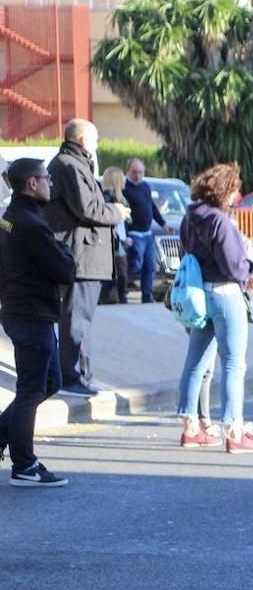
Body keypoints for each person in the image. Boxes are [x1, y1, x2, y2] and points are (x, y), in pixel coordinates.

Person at [174, 163, 253, 453]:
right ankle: (235, 431)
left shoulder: (190, 217)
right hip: (226, 294)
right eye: (236, 189)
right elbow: (234, 264)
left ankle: (190, 427)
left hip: (201, 293)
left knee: (196, 360)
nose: (238, 195)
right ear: (225, 190)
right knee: (233, 363)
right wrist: (249, 269)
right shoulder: (220, 221)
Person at [0, 158, 76, 487]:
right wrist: (66, 252)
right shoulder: (30, 223)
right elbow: (63, 270)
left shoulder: (11, 218)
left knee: (49, 383)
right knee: (32, 388)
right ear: (32, 183)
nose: (51, 184)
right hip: (29, 313)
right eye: (47, 179)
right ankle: (24, 466)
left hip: (24, 311)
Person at [45, 118, 131, 396]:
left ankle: (74, 375)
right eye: (94, 140)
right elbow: (88, 208)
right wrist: (116, 212)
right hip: (80, 256)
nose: (97, 146)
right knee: (76, 320)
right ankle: (72, 377)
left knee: (78, 319)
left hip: (82, 255)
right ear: (82, 140)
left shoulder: (72, 164)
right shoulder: (69, 165)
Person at [124, 157, 170, 303]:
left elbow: (152, 207)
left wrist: (163, 224)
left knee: (150, 266)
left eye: (140, 172)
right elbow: (123, 214)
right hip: (134, 233)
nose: (138, 175)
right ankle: (119, 288)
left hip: (147, 233)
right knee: (135, 265)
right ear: (128, 171)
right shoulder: (125, 187)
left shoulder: (145, 186)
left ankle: (147, 295)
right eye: (134, 172)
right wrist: (125, 236)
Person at [100, 166, 132, 304]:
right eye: (122, 178)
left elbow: (127, 221)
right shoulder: (108, 196)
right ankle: (112, 296)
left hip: (120, 239)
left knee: (121, 270)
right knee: (116, 270)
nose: (125, 180)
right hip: (112, 240)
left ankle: (120, 295)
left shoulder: (120, 197)